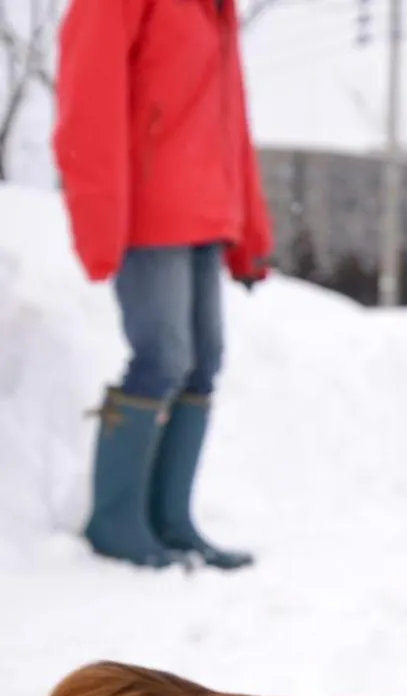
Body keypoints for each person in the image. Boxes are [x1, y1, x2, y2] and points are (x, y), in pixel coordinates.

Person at [53, 0, 273, 571]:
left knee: (204, 362)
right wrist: (98, 224)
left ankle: (170, 519)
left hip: (208, 211)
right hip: (148, 210)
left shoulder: (214, 10)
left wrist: (250, 234)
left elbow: (231, 128)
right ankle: (116, 522)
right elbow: (87, 105)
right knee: (163, 358)